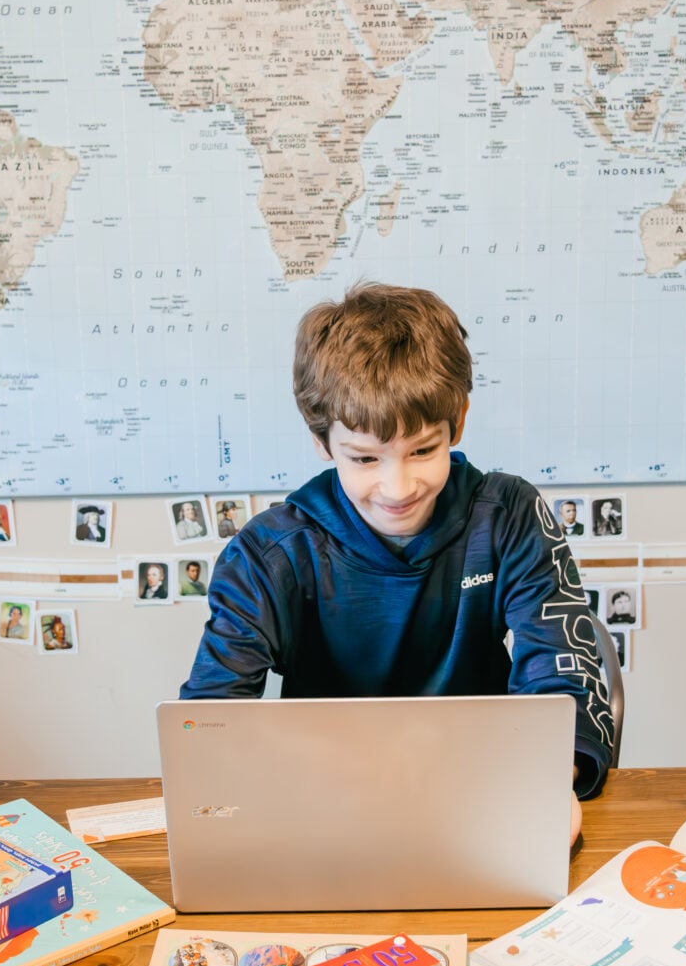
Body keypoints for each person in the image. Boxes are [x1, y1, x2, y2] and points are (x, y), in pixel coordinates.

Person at [181, 283, 614, 844]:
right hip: (319, 813)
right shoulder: (268, 556)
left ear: (456, 422)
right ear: (321, 440)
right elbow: (213, 719)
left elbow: (562, 681)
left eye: (423, 451)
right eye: (364, 458)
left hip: (483, 798)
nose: (398, 486)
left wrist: (547, 785)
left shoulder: (507, 516)